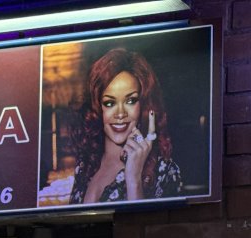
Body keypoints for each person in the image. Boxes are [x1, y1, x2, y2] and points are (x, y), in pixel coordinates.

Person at [69, 48, 182, 204]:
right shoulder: (86, 163)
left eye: (130, 101)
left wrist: (134, 179)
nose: (120, 113)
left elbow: (147, 221)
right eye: (110, 103)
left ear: (143, 105)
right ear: (96, 108)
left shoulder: (164, 171)